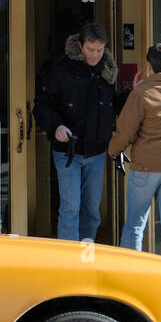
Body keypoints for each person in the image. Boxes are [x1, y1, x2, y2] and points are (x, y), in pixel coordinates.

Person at [34, 22, 120, 243]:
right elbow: (42, 105)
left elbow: (115, 105)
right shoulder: (61, 71)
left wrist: (135, 93)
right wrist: (56, 127)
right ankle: (69, 261)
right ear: (80, 46)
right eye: (90, 49)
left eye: (99, 50)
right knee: (70, 208)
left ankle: (86, 256)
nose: (95, 55)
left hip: (97, 151)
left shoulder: (107, 72)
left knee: (92, 210)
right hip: (68, 151)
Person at [107, 42, 161, 261]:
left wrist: (113, 150)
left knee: (135, 225)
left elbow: (126, 131)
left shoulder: (141, 93)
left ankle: (130, 277)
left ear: (148, 66)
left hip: (145, 167)